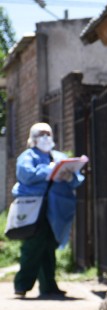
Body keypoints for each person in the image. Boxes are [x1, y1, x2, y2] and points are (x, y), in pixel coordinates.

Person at [12, 123, 84, 298]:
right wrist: (48, 170)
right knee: (33, 245)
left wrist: (70, 176)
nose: (45, 137)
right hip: (35, 207)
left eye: (48, 133)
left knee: (49, 246)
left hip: (57, 208)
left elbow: (76, 180)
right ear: (33, 137)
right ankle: (22, 284)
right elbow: (26, 175)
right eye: (41, 133)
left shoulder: (59, 156)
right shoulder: (27, 156)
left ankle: (49, 286)